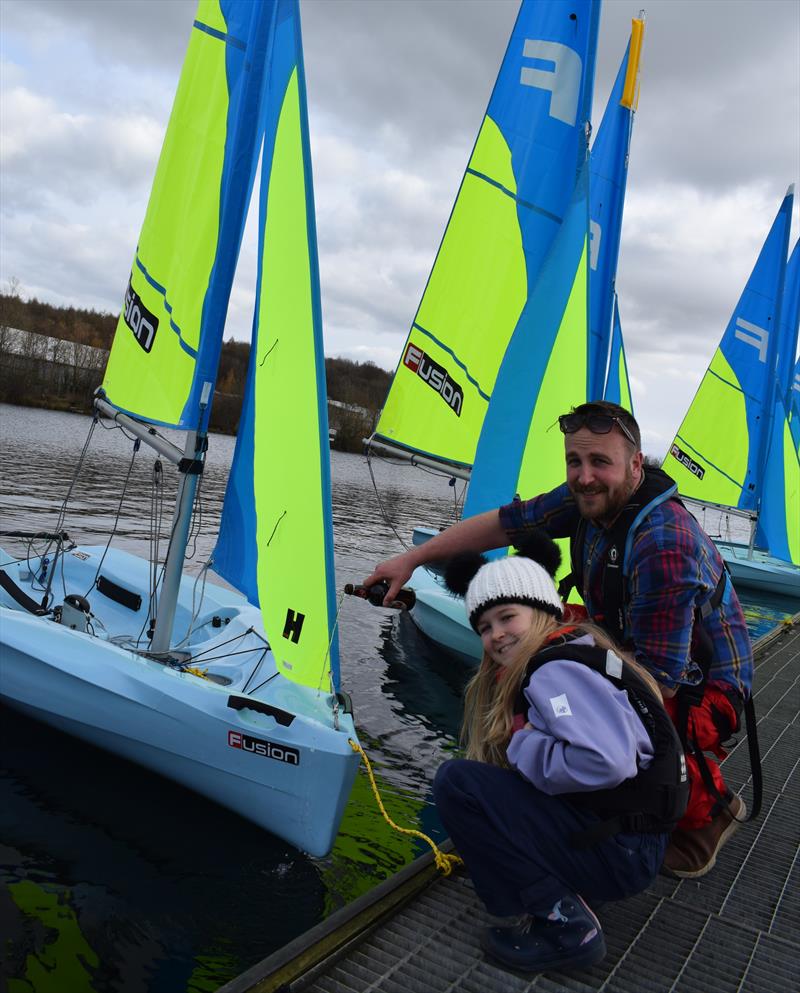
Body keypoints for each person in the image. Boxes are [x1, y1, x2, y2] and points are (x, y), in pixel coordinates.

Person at [365, 400, 754, 878]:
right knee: (524, 646)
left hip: (700, 688)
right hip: (631, 646)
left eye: (600, 462)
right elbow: (503, 524)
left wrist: (557, 698)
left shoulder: (662, 542)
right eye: (575, 461)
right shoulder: (587, 497)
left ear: (635, 466)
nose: (584, 476)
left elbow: (661, 685)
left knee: (572, 695)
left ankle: (705, 813)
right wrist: (413, 559)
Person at [433, 530, 687, 974]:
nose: (495, 635)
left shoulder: (552, 672)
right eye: (485, 627)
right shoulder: (581, 651)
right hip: (634, 841)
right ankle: (572, 887)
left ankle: (565, 924)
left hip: (620, 854)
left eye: (507, 617)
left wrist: (523, 743)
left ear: (543, 609)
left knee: (459, 784)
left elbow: (605, 761)